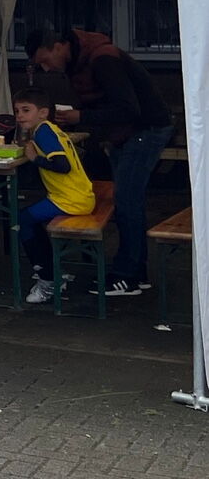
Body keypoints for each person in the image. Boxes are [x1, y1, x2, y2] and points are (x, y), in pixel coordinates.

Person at [27, 26, 172, 296]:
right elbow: (106, 103)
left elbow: (128, 108)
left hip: (145, 129)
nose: (46, 69)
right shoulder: (80, 61)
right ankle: (135, 272)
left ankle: (127, 276)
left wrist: (81, 117)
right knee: (127, 200)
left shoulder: (103, 58)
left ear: (58, 46)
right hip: (126, 134)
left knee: (127, 200)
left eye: (45, 61)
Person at [10, 88, 95, 305]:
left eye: (26, 110)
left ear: (43, 112)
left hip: (71, 198)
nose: (20, 116)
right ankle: (52, 269)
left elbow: (62, 166)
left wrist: (34, 158)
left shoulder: (44, 132)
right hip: (76, 194)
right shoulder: (47, 129)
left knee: (23, 220)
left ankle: (48, 279)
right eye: (17, 111)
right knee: (29, 218)